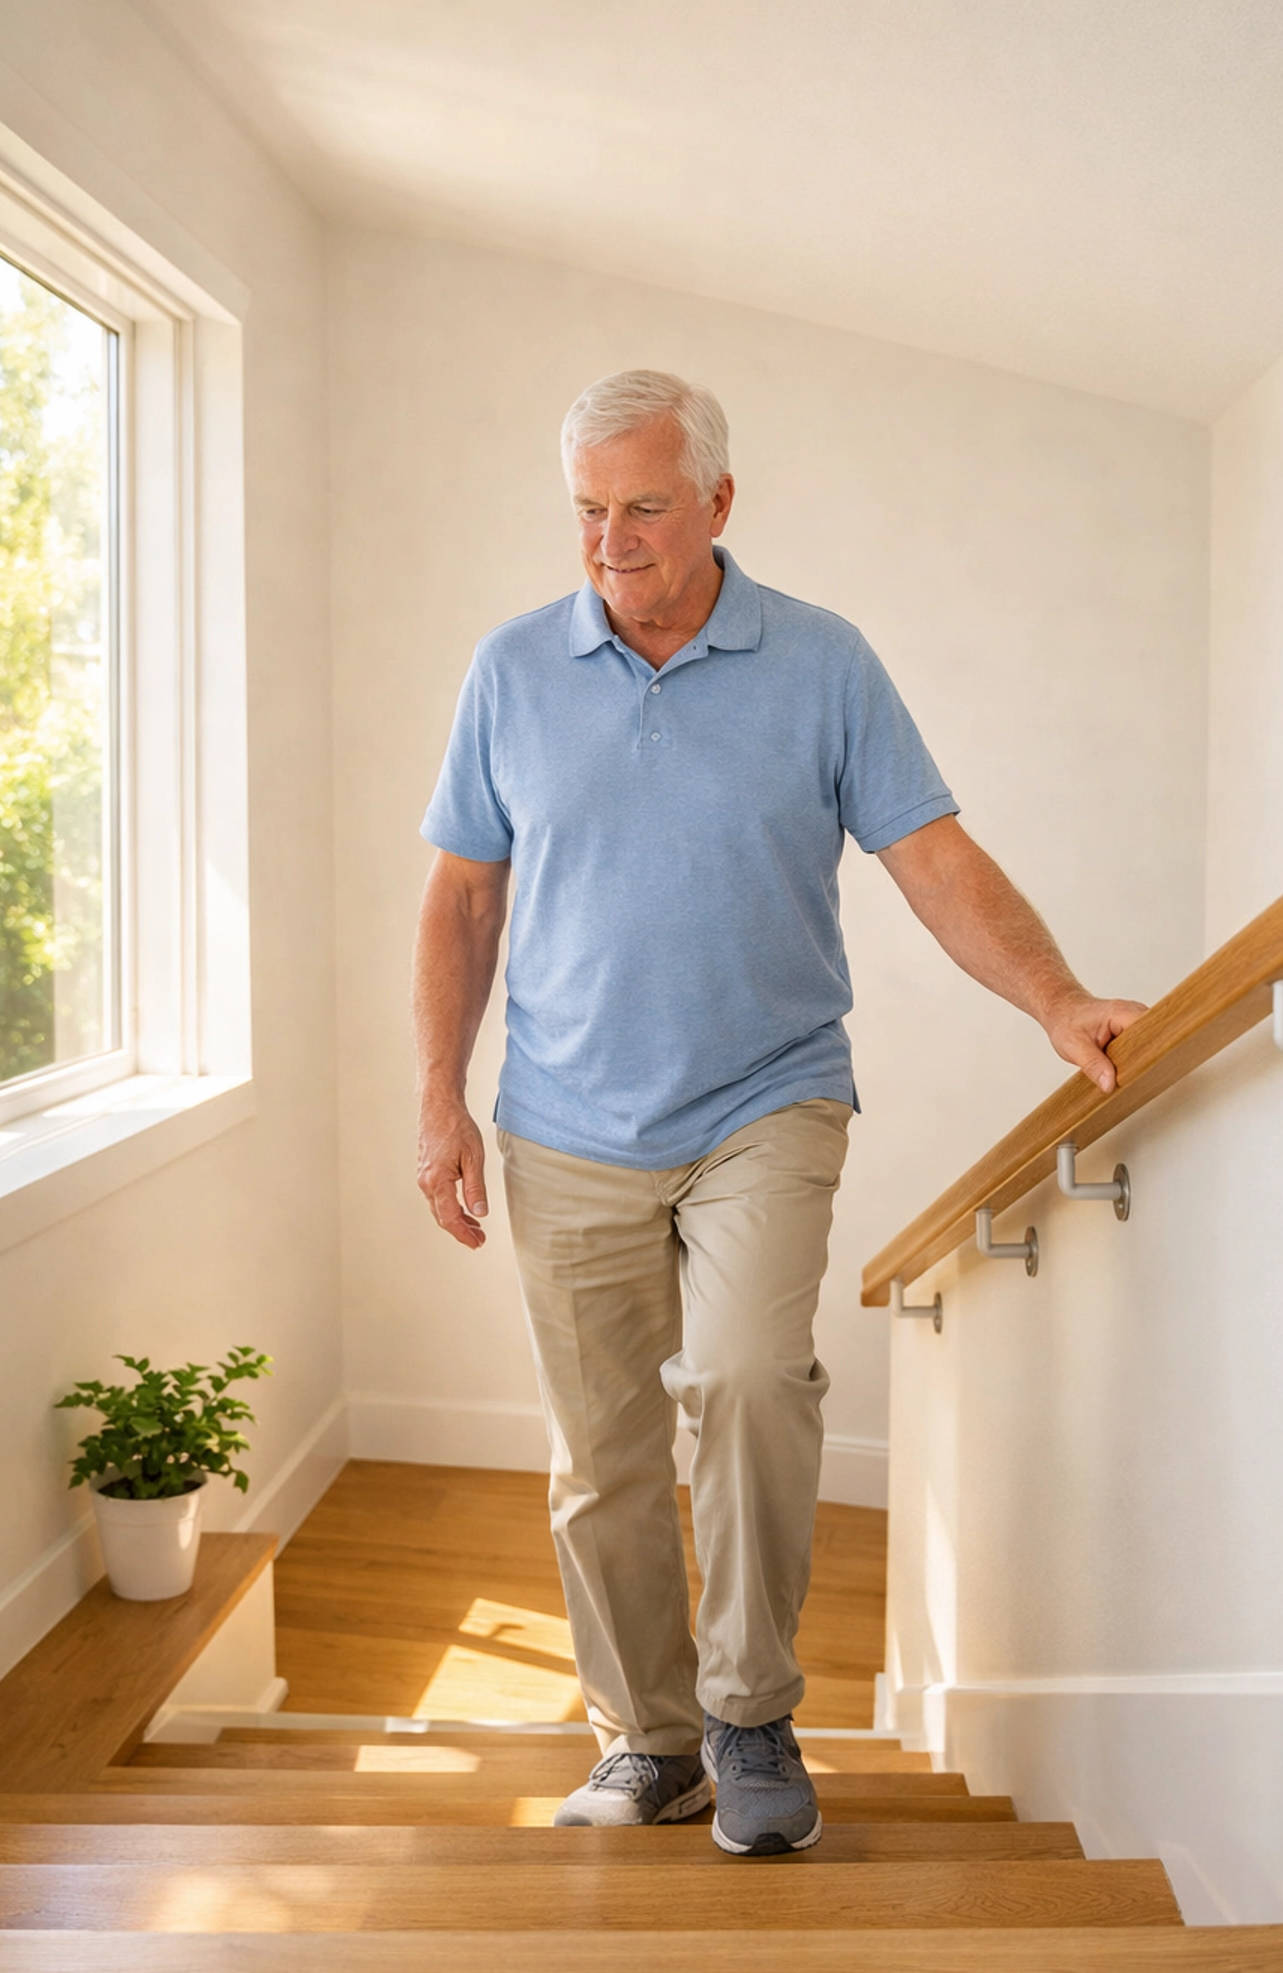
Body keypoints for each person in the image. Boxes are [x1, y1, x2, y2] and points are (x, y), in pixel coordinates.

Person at [413, 369, 1145, 1855]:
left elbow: (931, 858)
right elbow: (464, 892)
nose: (611, 541)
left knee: (750, 1378)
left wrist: (1059, 998)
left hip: (768, 1096)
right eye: (588, 510)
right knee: (602, 1454)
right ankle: (650, 1742)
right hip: (563, 1118)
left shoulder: (821, 663)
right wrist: (439, 1095)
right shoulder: (511, 670)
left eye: (645, 507)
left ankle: (749, 1713)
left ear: (720, 505)